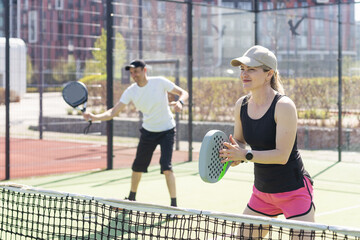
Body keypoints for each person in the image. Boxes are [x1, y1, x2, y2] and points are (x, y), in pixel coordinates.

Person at [219, 45, 315, 238]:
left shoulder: (284, 106)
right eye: (242, 70)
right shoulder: (242, 105)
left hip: (294, 192)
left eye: (251, 69)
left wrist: (244, 155)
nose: (244, 74)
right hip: (262, 193)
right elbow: (240, 141)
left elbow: (281, 155)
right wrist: (234, 154)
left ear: (268, 73)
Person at [83, 59, 188, 208]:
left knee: (166, 166)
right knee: (137, 167)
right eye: (132, 73)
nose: (134, 75)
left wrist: (180, 102)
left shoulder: (159, 82)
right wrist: (95, 117)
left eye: (136, 72)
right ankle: (131, 199)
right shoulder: (131, 91)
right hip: (148, 132)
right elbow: (113, 111)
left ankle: (174, 205)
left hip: (167, 130)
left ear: (145, 71)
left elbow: (184, 93)